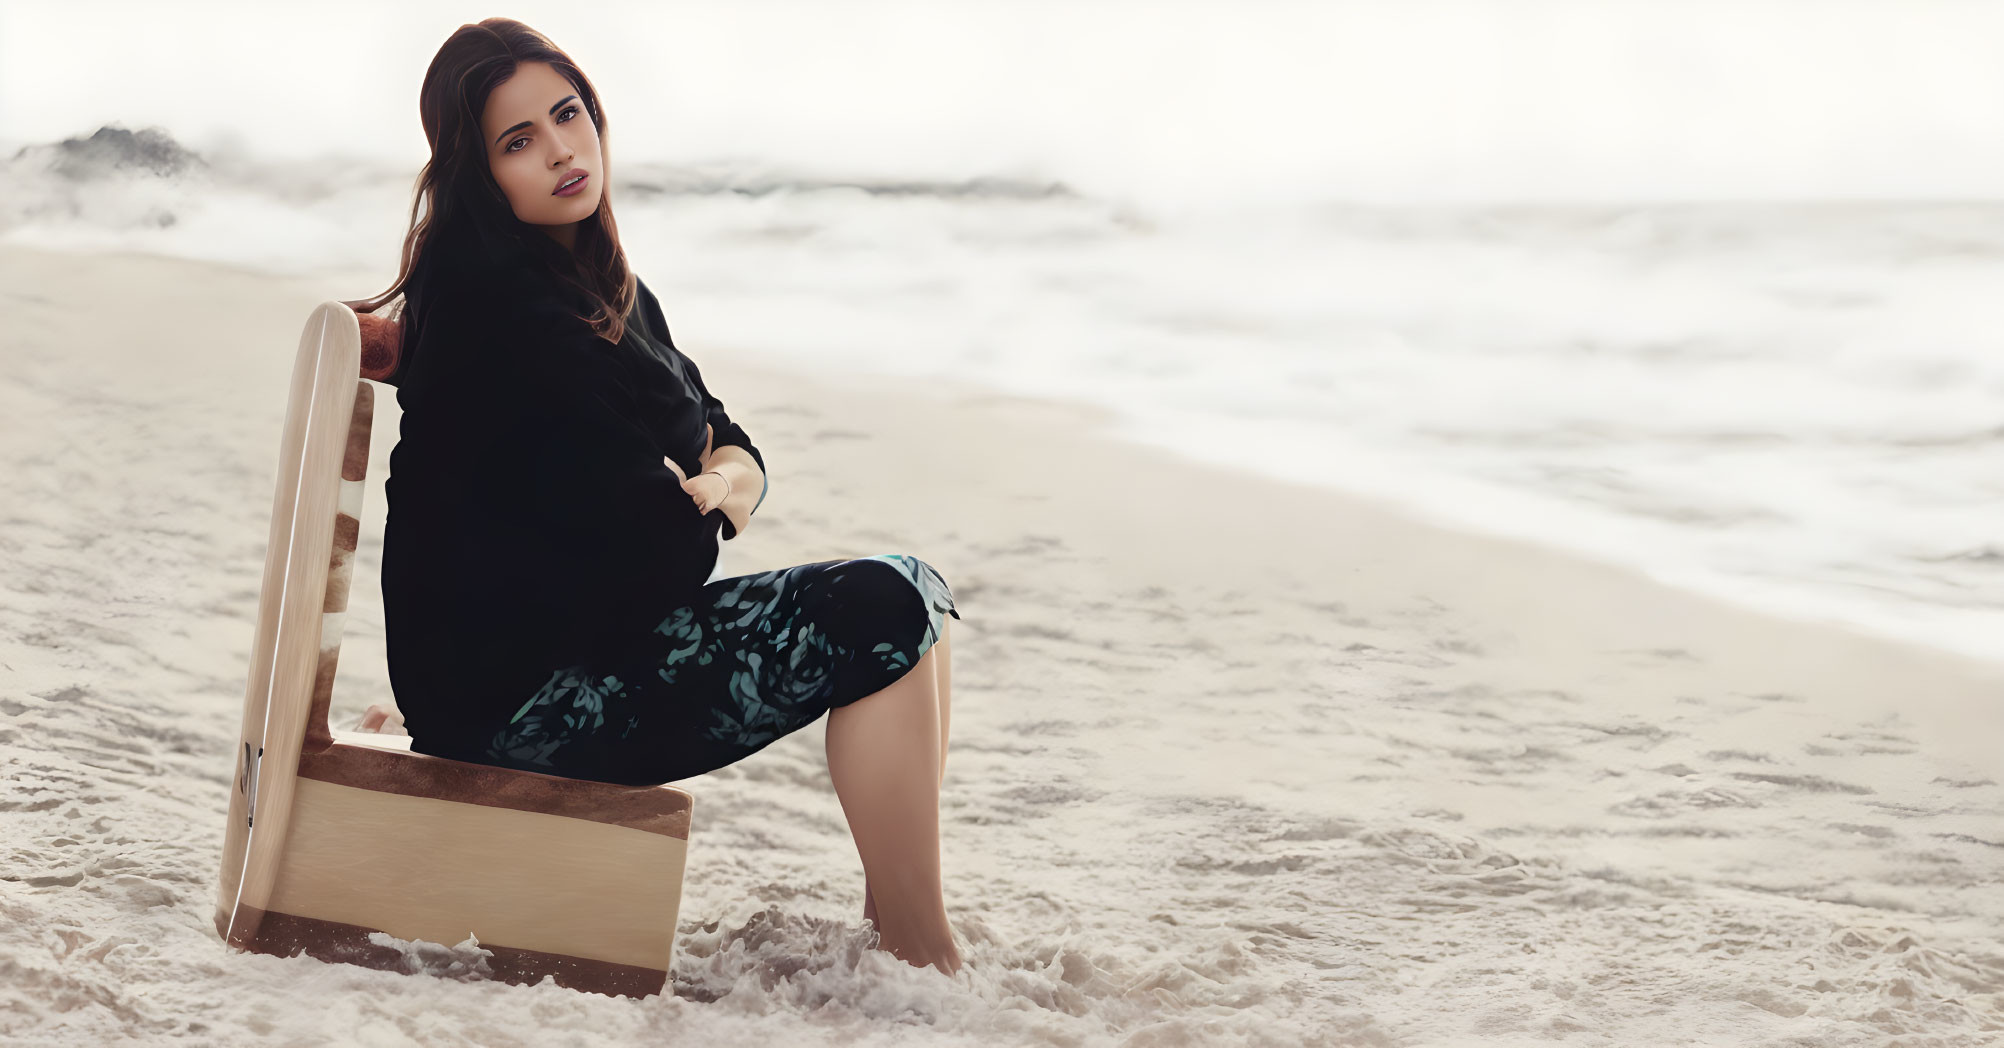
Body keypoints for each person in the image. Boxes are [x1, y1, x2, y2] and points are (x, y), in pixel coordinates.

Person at [341, 18, 964, 977]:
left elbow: (729, 441)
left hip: (572, 654)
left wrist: (711, 483)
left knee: (910, 597)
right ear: (479, 174)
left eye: (569, 114)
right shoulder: (505, 312)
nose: (561, 150)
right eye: (520, 142)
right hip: (519, 707)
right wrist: (715, 490)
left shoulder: (597, 285)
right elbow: (658, 552)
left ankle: (902, 929)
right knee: (884, 605)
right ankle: (921, 952)